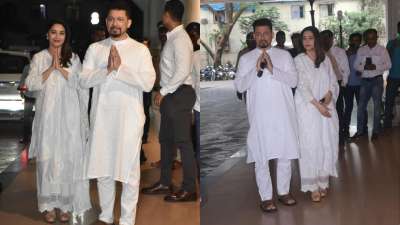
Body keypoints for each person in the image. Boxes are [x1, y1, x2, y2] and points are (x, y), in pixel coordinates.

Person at [80, 2, 155, 225]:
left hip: (129, 121)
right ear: (106, 22)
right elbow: (84, 80)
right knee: (104, 169)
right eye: (111, 19)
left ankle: (126, 220)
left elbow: (148, 83)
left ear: (128, 22)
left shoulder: (140, 50)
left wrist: (121, 69)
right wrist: (108, 70)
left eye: (120, 19)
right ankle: (105, 216)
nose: (115, 23)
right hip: (102, 119)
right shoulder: (95, 49)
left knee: (129, 173)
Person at [26, 19, 91, 224]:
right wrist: (49, 69)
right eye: (53, 32)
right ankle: (48, 205)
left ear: (66, 36)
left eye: (61, 33)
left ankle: (65, 205)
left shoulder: (73, 58)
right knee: (47, 160)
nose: (57, 36)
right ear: (47, 35)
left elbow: (80, 83)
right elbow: (31, 84)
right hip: (47, 118)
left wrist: (61, 68)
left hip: (68, 119)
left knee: (66, 160)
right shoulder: (38, 58)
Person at [234, 18, 299, 212]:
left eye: (266, 33)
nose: (262, 37)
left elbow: (294, 81)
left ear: (272, 34)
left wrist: (272, 68)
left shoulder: (284, 56)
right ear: (254, 36)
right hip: (260, 116)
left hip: (283, 114)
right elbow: (239, 86)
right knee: (261, 156)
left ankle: (284, 192)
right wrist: (256, 69)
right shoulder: (246, 59)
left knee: (285, 154)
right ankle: (266, 197)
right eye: (258, 34)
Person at [141, 0, 197, 202]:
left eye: (163, 14)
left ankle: (189, 188)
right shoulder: (173, 37)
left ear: (167, 15)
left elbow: (182, 71)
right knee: (165, 140)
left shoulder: (180, 38)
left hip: (179, 94)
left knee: (183, 142)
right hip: (173, 94)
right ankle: (165, 182)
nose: (162, 17)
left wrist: (163, 91)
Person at [294, 26, 339, 202]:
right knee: (310, 144)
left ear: (316, 40)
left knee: (326, 142)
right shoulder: (299, 60)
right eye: (304, 38)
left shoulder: (325, 59)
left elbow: (333, 82)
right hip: (308, 109)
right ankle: (311, 185)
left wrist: (329, 96)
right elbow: (302, 86)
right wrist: (318, 106)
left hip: (326, 107)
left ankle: (322, 181)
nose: (307, 41)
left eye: (310, 38)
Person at [352, 29, 391, 140]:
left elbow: (389, 64)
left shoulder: (382, 50)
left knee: (377, 107)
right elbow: (355, 65)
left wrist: (376, 67)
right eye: (368, 38)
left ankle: (376, 131)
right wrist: (363, 67)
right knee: (360, 107)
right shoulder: (361, 50)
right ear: (365, 38)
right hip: (364, 81)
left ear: (376, 37)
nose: (371, 41)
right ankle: (360, 131)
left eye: (373, 38)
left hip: (377, 81)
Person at [320, 30, 350, 145]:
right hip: (323, 86)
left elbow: (346, 69)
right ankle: (327, 138)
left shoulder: (339, 51)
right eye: (323, 38)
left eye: (328, 38)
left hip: (337, 84)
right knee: (325, 111)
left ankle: (340, 138)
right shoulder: (317, 53)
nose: (325, 40)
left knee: (338, 111)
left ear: (332, 39)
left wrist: (343, 84)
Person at [344, 33, 367, 137]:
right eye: (353, 40)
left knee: (362, 107)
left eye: (357, 40)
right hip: (348, 85)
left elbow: (368, 66)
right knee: (348, 107)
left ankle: (362, 130)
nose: (355, 42)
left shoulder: (363, 52)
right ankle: (345, 130)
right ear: (350, 41)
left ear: (360, 41)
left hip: (360, 84)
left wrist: (362, 71)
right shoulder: (345, 53)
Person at [186, 22, 200, 179]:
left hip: (200, 108)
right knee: (197, 147)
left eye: (195, 33)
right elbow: (191, 84)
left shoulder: (197, 55)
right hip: (196, 109)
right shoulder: (191, 56)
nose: (193, 37)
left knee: (199, 148)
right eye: (190, 34)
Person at [18, 50, 38, 144]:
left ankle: (37, 138)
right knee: (26, 117)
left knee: (39, 117)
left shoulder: (42, 67)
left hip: (39, 96)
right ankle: (26, 138)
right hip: (29, 95)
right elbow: (23, 79)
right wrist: (22, 91)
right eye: (32, 57)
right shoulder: (27, 67)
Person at [384, 21, 400, 128]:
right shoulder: (391, 43)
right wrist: (392, 47)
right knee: (389, 101)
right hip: (393, 76)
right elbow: (386, 58)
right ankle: (387, 124)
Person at [235, 32, 256, 101]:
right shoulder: (242, 53)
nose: (250, 41)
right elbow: (238, 72)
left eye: (252, 39)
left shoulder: (261, 52)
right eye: (248, 39)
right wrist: (238, 89)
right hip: (247, 85)